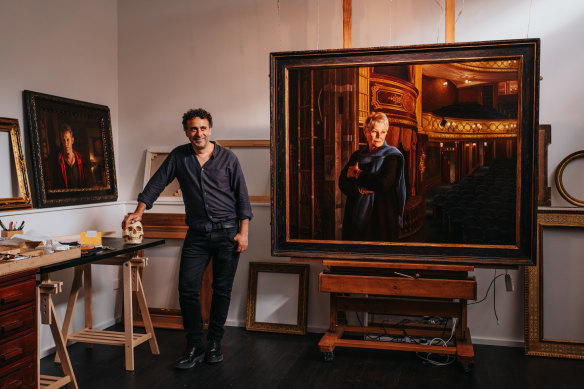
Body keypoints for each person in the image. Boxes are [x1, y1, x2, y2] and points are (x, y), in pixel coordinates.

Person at [122, 108, 253, 369]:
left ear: (210, 129)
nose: (198, 133)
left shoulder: (228, 158)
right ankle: (194, 344)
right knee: (187, 289)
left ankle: (215, 343)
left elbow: (242, 198)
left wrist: (243, 233)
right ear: (186, 131)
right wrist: (139, 212)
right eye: (193, 128)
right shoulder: (179, 157)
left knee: (222, 290)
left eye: (203, 128)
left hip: (228, 233)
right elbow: (156, 184)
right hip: (197, 234)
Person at [338, 112, 406, 242]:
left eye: (383, 132)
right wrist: (359, 190)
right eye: (375, 131)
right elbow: (342, 182)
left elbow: (383, 184)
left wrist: (357, 174)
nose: (379, 136)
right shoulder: (357, 155)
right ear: (366, 132)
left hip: (381, 218)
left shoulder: (392, 156)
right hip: (355, 216)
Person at [54, 124, 92, 189]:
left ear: (72, 140)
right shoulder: (58, 162)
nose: (66, 144)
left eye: (68, 140)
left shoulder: (80, 159)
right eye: (63, 140)